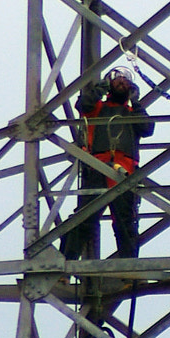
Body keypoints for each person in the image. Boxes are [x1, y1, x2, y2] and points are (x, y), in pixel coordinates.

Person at [64, 67, 153, 259]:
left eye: (125, 80)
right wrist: (100, 89)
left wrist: (137, 103)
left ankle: (130, 270)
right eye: (117, 80)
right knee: (84, 218)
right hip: (98, 165)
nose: (121, 82)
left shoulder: (132, 113)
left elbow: (147, 128)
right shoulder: (98, 108)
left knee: (125, 222)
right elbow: (82, 105)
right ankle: (65, 261)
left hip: (125, 169)